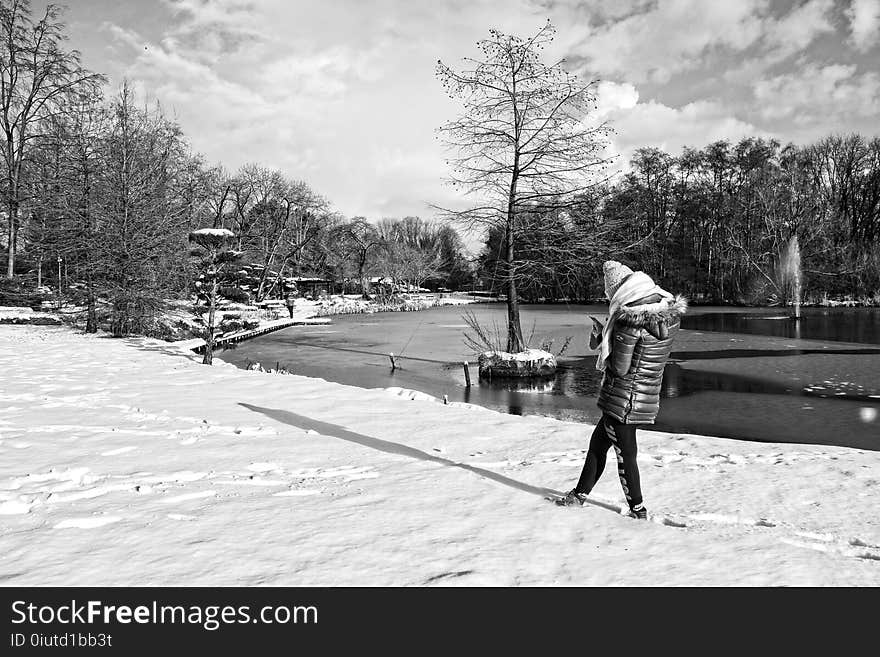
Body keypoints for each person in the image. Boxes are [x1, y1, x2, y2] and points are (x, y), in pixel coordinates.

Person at [556, 261, 687, 519]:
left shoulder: (628, 323)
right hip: (644, 394)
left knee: (626, 456)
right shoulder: (668, 316)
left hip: (623, 399)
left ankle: (638, 510)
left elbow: (619, 368)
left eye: (610, 294)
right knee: (598, 445)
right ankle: (579, 495)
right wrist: (607, 335)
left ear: (619, 291)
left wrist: (604, 337)